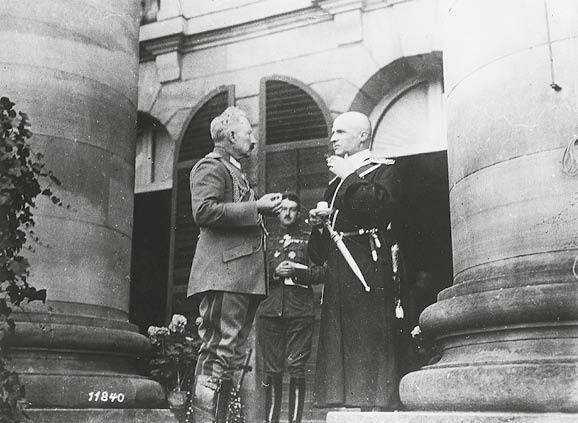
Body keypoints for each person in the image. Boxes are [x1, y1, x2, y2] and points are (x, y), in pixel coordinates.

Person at [186, 106, 282, 423]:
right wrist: (257, 207)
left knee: (231, 358)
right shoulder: (210, 167)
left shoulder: (233, 169)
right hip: (225, 276)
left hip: (240, 278)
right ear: (230, 136)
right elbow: (204, 212)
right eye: (249, 133)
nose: (254, 139)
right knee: (217, 353)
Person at [308, 111, 402, 410]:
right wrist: (319, 227)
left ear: (363, 136)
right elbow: (318, 254)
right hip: (340, 269)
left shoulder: (383, 170)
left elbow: (377, 208)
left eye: (340, 132)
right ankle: (349, 405)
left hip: (368, 265)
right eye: (333, 133)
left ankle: (375, 407)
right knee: (342, 336)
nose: (332, 138)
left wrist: (349, 175)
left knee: (369, 333)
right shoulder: (333, 185)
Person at [257, 193, 325, 423]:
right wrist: (275, 273)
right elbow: (252, 274)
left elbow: (322, 271)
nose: (287, 213)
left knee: (297, 367)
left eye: (293, 209)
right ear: (277, 212)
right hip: (270, 311)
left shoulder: (309, 239)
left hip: (300, 310)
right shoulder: (265, 240)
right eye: (284, 209)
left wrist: (297, 271)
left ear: (299, 212)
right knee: (272, 369)